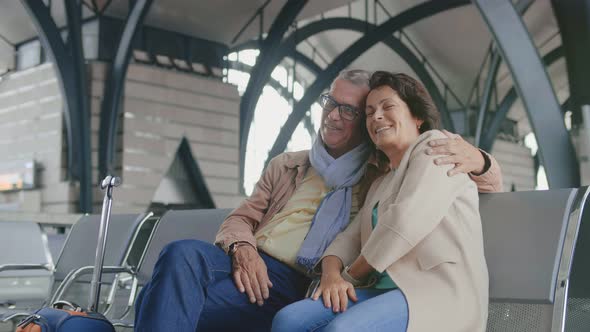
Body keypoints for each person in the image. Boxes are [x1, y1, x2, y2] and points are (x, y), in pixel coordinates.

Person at [134, 70, 501, 331]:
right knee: (179, 253)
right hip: (250, 265)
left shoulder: (382, 168)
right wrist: (242, 250)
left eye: (350, 110)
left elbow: (469, 182)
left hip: (296, 281)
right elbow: (240, 219)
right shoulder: (289, 164)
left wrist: (482, 159)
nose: (334, 115)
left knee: (156, 301)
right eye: (330, 102)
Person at [271, 71, 489, 332]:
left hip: (435, 293)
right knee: (288, 321)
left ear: (417, 116)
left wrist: (349, 277)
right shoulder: (380, 183)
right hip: (382, 293)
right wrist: (331, 277)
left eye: (388, 107)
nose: (376, 116)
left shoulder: (436, 148)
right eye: (370, 111)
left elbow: (403, 224)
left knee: (342, 330)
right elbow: (348, 239)